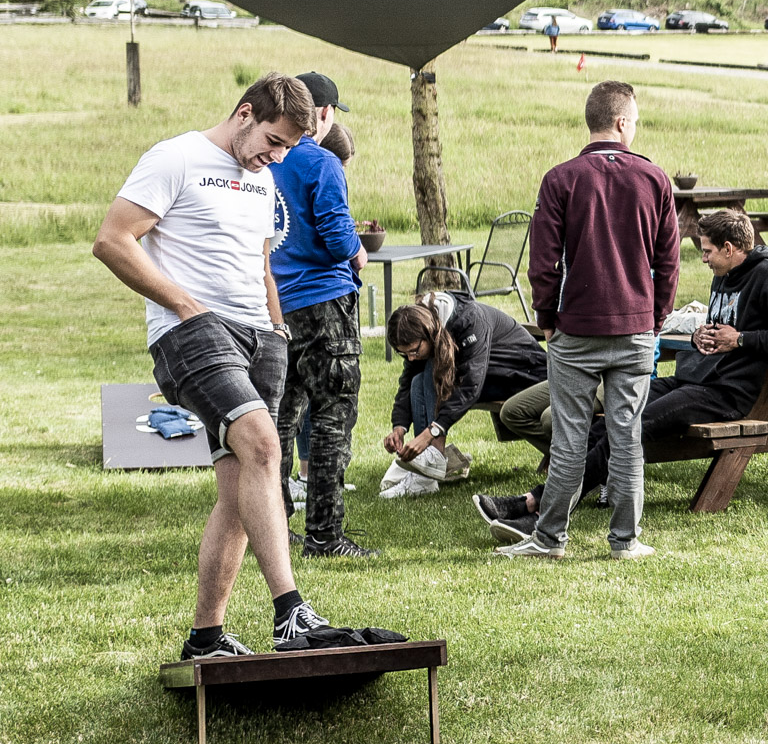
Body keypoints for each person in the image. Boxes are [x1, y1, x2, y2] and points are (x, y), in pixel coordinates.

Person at [94, 72, 377, 658]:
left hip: (261, 337)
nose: (275, 157)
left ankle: (206, 636)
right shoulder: (175, 157)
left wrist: (276, 327)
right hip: (192, 332)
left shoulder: (264, 177)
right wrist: (184, 305)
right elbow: (113, 240)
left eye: (289, 148)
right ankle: (291, 613)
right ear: (245, 114)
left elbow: (261, 263)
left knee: (241, 488)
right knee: (266, 450)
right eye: (273, 141)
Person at [474, 210, 768, 543]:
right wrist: (701, 336)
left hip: (728, 393)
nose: (704, 259)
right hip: (694, 378)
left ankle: (538, 508)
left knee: (630, 426)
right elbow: (722, 324)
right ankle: (539, 502)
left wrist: (740, 339)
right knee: (607, 420)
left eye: (708, 251)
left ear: (729, 248)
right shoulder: (724, 275)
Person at [500, 81, 679, 562]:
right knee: (626, 436)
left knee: (570, 438)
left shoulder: (561, 179)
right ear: (622, 123)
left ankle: (550, 537)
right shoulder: (655, 179)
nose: (635, 128)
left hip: (575, 328)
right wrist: (657, 316)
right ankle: (625, 540)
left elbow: (544, 262)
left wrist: (546, 318)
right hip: (636, 326)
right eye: (635, 121)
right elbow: (669, 262)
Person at [268, 71, 372, 558]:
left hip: (274, 303)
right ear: (324, 114)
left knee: (279, 421)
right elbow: (334, 233)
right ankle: (326, 536)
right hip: (324, 304)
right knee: (333, 417)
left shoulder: (264, 161)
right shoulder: (322, 161)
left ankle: (274, 528)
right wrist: (357, 250)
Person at [383, 290, 548, 477]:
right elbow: (407, 380)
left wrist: (433, 431)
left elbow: (471, 384)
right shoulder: (425, 328)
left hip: (523, 375)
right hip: (490, 375)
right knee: (417, 380)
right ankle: (426, 462)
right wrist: (399, 426)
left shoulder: (470, 320)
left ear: (428, 332)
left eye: (413, 351)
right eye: (405, 354)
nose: (411, 358)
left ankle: (433, 457)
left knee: (432, 369)